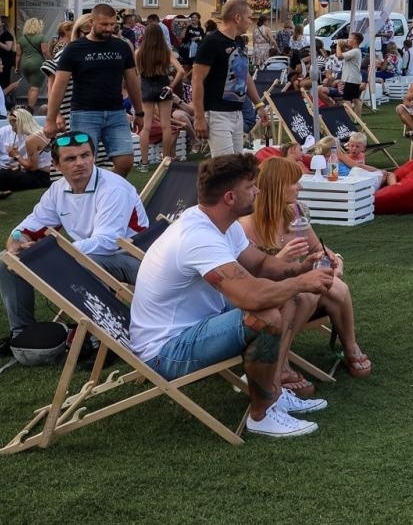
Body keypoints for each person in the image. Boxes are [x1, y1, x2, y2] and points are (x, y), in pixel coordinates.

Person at [130, 153, 336, 437]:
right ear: (230, 197)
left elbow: (261, 265)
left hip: (200, 323)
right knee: (265, 316)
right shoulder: (198, 237)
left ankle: (274, 391)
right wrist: (302, 282)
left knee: (285, 298)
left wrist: (301, 268)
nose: (258, 191)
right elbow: (252, 298)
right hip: (166, 349)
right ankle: (262, 414)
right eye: (250, 187)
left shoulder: (221, 224)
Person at [0, 132, 147, 352]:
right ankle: (22, 334)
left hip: (134, 259)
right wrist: (16, 240)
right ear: (56, 165)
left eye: (85, 155)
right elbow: (28, 227)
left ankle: (102, 340)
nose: (80, 163)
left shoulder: (113, 188)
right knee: (6, 259)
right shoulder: (58, 189)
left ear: (94, 157)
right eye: (71, 158)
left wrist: (56, 255)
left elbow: (107, 242)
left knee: (85, 261)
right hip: (90, 254)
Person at [239, 156, 372, 378]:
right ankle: (279, 362)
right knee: (309, 294)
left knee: (336, 287)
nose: (300, 187)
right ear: (276, 187)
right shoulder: (245, 226)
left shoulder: (295, 212)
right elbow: (248, 279)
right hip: (268, 294)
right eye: (294, 182)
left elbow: (316, 247)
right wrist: (281, 258)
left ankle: (350, 347)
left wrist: (333, 258)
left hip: (297, 284)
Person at [46, 3, 143, 175]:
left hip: (116, 113)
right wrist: (51, 119)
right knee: (84, 163)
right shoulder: (74, 49)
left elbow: (132, 81)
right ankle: (89, 190)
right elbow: (58, 86)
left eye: (112, 24)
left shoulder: (121, 47)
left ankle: (107, 187)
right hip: (84, 114)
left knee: (125, 161)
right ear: (91, 22)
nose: (109, 28)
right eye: (104, 24)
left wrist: (140, 112)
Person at [191, 0, 270, 157]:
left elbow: (245, 75)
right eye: (249, 17)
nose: (251, 22)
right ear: (237, 17)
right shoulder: (212, 42)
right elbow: (197, 79)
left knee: (236, 164)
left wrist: (259, 104)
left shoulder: (239, 41)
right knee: (225, 165)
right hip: (217, 113)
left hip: (237, 112)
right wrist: (199, 117)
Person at [135, 20, 186, 168]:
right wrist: (171, 86)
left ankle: (144, 162)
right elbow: (181, 71)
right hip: (164, 87)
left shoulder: (138, 53)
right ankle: (166, 160)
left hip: (146, 87)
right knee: (166, 126)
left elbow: (137, 75)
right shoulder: (166, 52)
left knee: (146, 127)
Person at [0, 107, 52, 195]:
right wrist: (19, 166)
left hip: (40, 177)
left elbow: (32, 167)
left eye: (13, 125)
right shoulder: (41, 132)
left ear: (20, 123)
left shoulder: (31, 139)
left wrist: (16, 156)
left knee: (4, 176)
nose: (12, 129)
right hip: (41, 173)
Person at [17, 17, 48, 112]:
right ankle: (30, 108)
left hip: (25, 64)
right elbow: (45, 52)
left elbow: (18, 54)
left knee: (31, 86)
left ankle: (29, 106)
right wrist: (50, 61)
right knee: (35, 87)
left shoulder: (21, 39)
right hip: (37, 64)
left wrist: (17, 67)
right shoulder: (41, 37)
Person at [338, 34, 365, 106]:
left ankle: (349, 114)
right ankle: (357, 114)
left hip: (350, 79)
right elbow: (343, 54)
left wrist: (338, 45)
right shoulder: (356, 51)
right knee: (356, 99)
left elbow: (339, 56)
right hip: (355, 79)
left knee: (346, 100)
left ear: (355, 41)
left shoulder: (354, 51)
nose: (347, 40)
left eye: (350, 38)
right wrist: (342, 47)